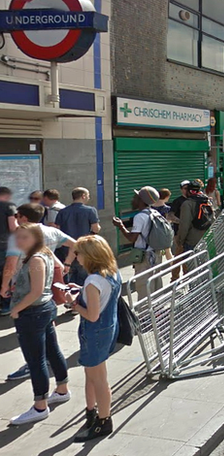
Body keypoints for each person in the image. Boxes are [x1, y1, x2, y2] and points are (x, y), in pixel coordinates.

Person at [6, 223, 71, 426]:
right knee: (52, 351)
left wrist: (16, 309)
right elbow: (41, 283)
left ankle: (40, 406)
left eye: (24, 237)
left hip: (33, 312)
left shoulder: (35, 258)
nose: (19, 241)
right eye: (17, 237)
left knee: (36, 360)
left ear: (35, 238)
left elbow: (36, 291)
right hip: (43, 308)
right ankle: (62, 390)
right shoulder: (44, 254)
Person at [64, 235, 121, 442]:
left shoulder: (92, 281)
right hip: (108, 329)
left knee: (99, 380)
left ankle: (104, 421)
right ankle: (91, 413)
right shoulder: (112, 273)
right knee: (93, 375)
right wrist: (83, 293)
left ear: (89, 255)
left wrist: (72, 303)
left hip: (94, 332)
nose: (76, 256)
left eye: (78, 252)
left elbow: (92, 315)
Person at [113, 187, 164, 300]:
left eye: (135, 197)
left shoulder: (139, 217)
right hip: (156, 254)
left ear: (141, 200)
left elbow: (132, 238)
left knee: (143, 286)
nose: (132, 200)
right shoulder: (155, 213)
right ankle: (157, 311)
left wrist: (120, 226)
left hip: (145, 257)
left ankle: (145, 314)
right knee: (156, 283)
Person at [53, 187, 101, 286]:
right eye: (88, 195)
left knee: (67, 279)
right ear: (83, 196)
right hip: (84, 249)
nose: (88, 197)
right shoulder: (90, 211)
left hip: (65, 250)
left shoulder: (63, 212)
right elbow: (95, 228)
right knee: (84, 278)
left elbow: (57, 229)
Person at [175, 181, 211, 255]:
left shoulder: (187, 204)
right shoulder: (206, 201)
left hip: (191, 240)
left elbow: (184, 225)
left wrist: (180, 241)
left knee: (191, 264)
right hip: (206, 238)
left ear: (189, 191)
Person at [0, 187, 17, 315]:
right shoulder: (8, 206)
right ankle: (6, 304)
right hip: (4, 244)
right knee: (6, 272)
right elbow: (12, 227)